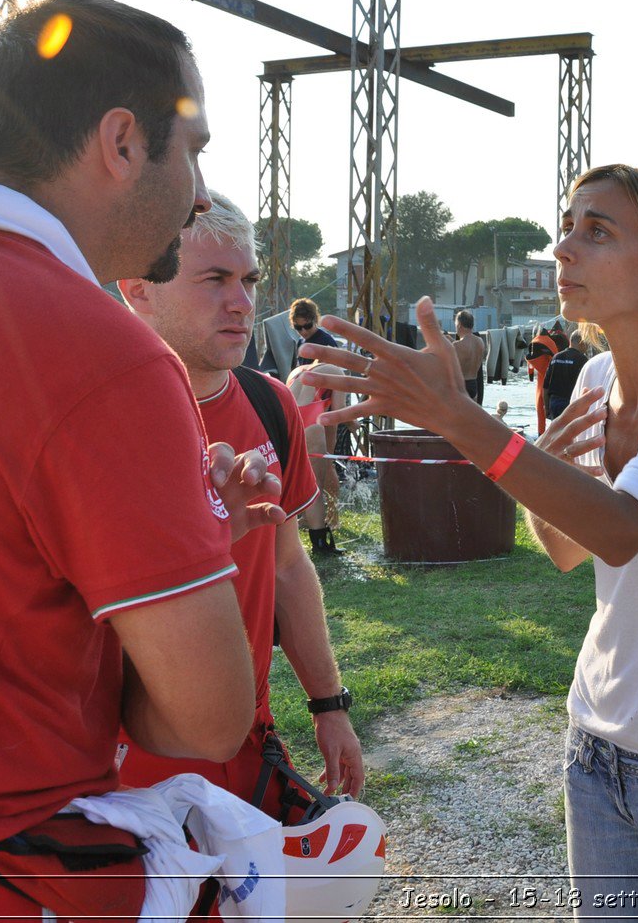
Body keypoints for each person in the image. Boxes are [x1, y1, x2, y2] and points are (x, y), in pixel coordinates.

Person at [298, 164, 638, 919]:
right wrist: (540, 468)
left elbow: (621, 532)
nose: (563, 248)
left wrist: (461, 418)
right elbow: (566, 547)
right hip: (595, 748)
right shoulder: (592, 377)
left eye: (597, 231)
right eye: (567, 225)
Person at [0, 0, 279, 920]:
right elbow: (206, 717)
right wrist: (187, 556)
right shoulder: (103, 354)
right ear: (123, 143)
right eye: (193, 147)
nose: (201, 189)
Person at [117, 195, 366, 815]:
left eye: (249, 279)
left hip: (248, 741)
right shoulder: (96, 417)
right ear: (137, 289)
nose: (242, 303)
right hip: (121, 759)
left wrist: (328, 703)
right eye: (214, 280)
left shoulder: (270, 401)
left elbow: (285, 565)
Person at [287, 357, 350, 557]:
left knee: (291, 483)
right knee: (316, 487)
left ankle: (304, 521)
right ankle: (323, 538)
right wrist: (354, 424)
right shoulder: (337, 371)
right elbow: (338, 413)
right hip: (309, 422)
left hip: (285, 422)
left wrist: (329, 455)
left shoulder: (298, 371)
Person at [525, 322, 567, 433]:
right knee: (554, 408)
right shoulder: (551, 342)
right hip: (552, 376)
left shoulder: (533, 342)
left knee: (539, 407)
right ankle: (556, 432)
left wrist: (530, 376)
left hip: (540, 377)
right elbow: (555, 358)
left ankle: (541, 433)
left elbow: (529, 364)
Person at [544, 330, 591, 421]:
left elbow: (545, 386)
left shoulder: (556, 357)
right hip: (571, 402)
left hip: (554, 403)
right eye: (587, 344)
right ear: (582, 343)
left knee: (557, 432)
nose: (587, 347)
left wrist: (546, 407)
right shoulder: (582, 359)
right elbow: (586, 386)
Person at [290, 296, 338, 371]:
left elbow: (335, 372)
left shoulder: (326, 342)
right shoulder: (300, 342)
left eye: (307, 326)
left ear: (315, 320)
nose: (303, 331)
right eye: (298, 327)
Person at [453, 307, 488, 404]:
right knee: (472, 418)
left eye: (455, 325)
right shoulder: (480, 342)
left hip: (461, 385)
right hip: (473, 384)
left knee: (458, 418)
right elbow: (467, 353)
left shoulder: (456, 346)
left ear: (459, 325)